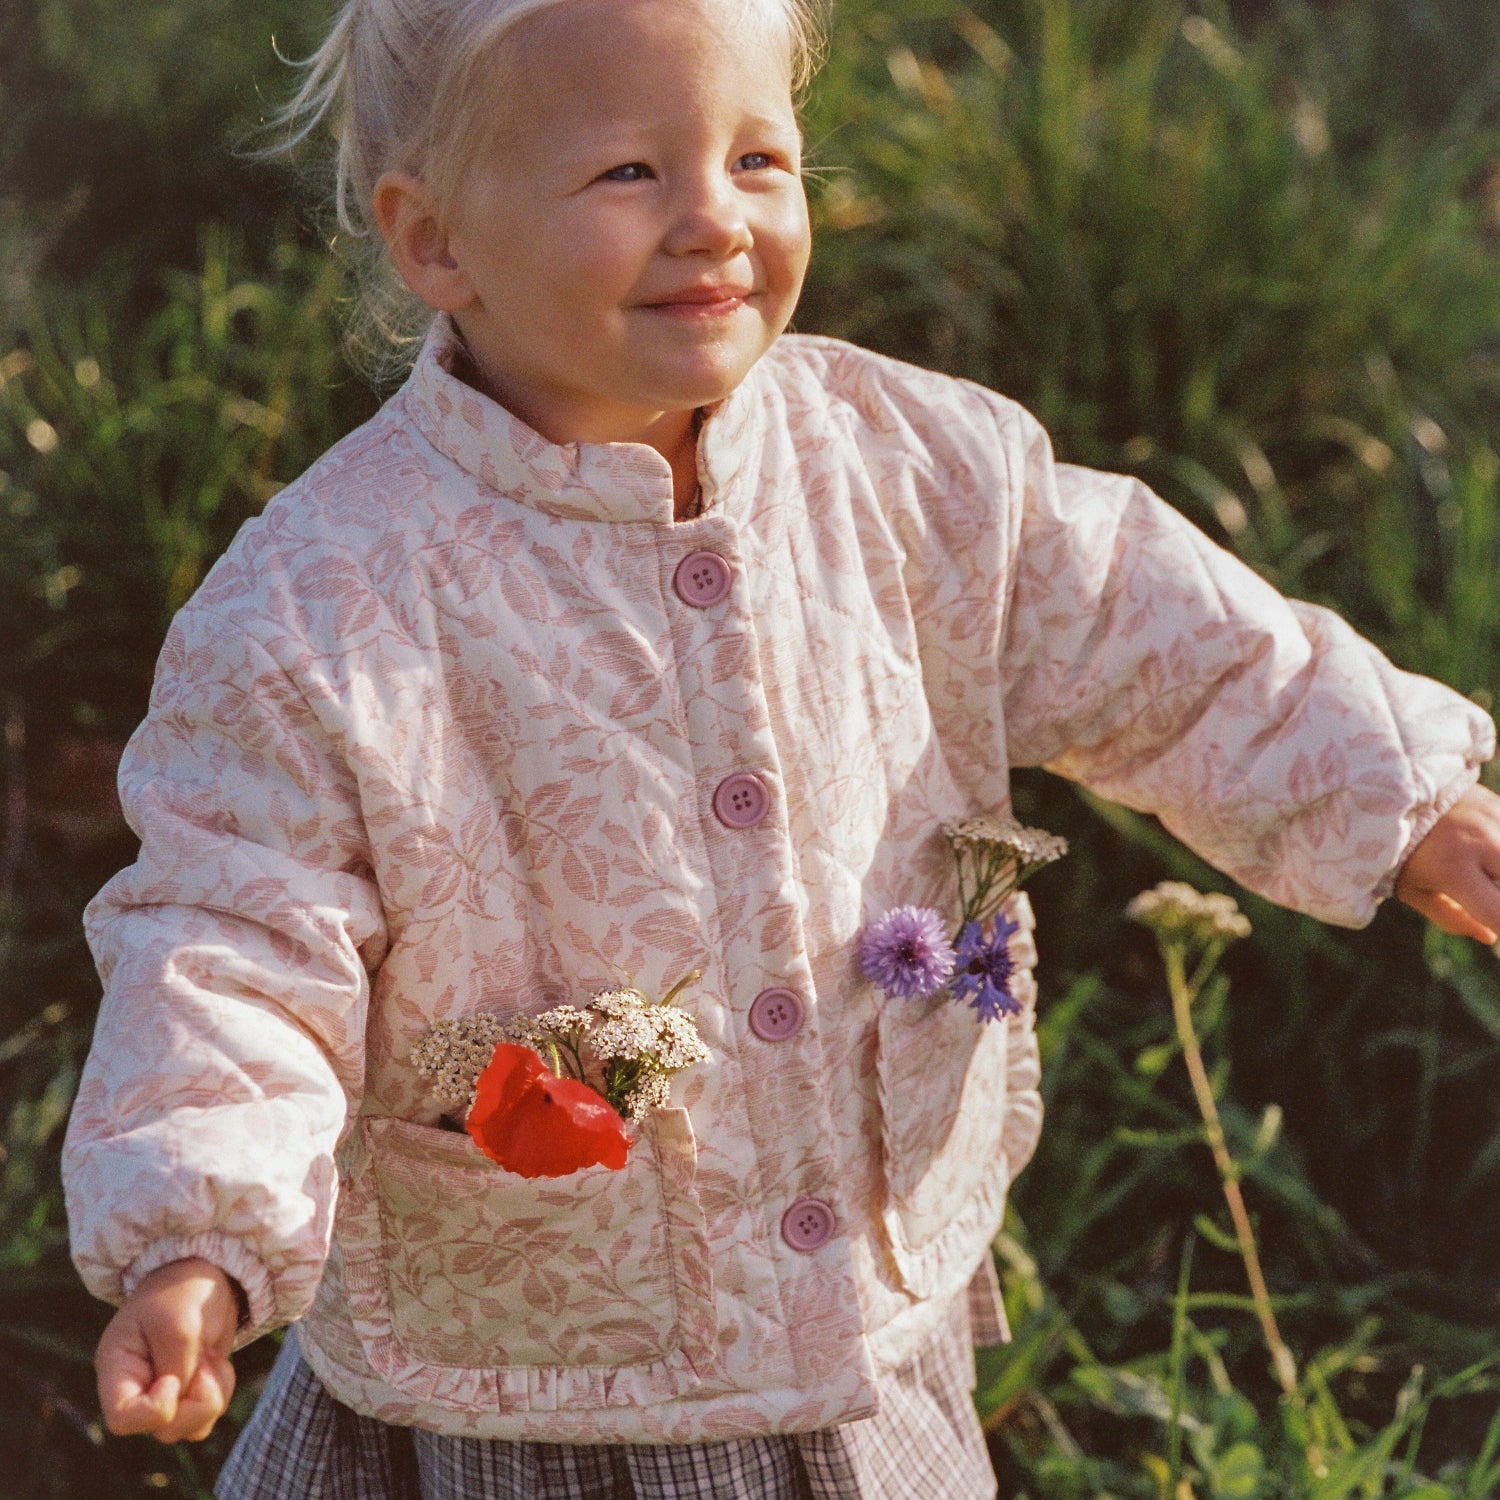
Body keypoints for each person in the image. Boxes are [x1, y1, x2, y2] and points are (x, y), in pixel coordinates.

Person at [61, 0, 1500, 1495]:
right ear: (435, 243)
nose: (714, 222)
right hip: (530, 1386)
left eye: (759, 157)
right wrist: (194, 1238)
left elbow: (1167, 640)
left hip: (857, 1338)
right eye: (628, 174)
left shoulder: (915, 472)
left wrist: (1400, 799)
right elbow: (234, 941)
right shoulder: (321, 604)